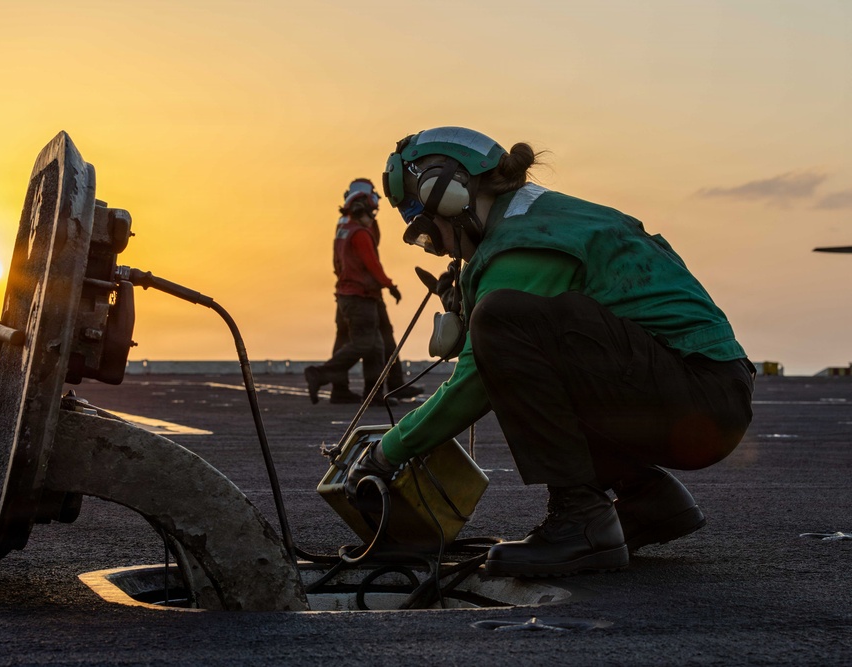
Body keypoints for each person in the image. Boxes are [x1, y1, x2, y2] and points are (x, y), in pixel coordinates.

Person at [345, 126, 755, 577]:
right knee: (507, 329)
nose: (439, 249)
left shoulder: (526, 241)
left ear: (449, 195)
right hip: (699, 392)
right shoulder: (540, 218)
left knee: (501, 319)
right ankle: (647, 499)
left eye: (428, 232)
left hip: (700, 401)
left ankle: (581, 520)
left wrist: (388, 453)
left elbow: (478, 376)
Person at [327, 179, 425, 404]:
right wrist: (388, 285)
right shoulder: (360, 225)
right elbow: (371, 260)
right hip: (365, 291)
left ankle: (339, 387)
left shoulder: (343, 223)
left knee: (343, 337)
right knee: (382, 337)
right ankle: (390, 385)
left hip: (346, 290)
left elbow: (337, 258)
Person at [304, 185, 403, 407]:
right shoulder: (360, 233)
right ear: (362, 210)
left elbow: (337, 263)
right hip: (360, 297)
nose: (373, 218)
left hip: (348, 295)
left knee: (376, 347)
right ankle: (319, 374)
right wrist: (390, 285)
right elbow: (372, 265)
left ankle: (374, 395)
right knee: (363, 344)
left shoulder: (344, 231)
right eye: (372, 213)